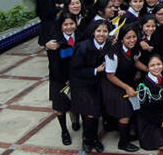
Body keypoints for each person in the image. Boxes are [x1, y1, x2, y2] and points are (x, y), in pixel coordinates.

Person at [102, 23, 146, 152]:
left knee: (136, 105)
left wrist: (149, 69)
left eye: (133, 37)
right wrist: (126, 87)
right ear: (121, 39)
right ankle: (123, 141)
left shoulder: (135, 49)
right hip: (113, 84)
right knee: (125, 109)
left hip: (126, 81)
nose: (131, 40)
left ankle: (127, 133)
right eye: (128, 38)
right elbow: (110, 76)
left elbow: (136, 61)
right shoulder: (113, 54)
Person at [70, 20, 110, 153]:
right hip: (82, 84)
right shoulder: (82, 47)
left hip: (99, 84)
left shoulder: (110, 45)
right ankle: (88, 140)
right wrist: (95, 70)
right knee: (89, 114)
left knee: (96, 113)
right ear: (93, 32)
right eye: (98, 31)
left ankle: (94, 139)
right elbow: (75, 70)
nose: (101, 34)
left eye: (105, 31)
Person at [44, 14, 79, 145]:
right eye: (65, 25)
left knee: (74, 103)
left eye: (72, 24)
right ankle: (64, 130)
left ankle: (75, 121)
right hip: (59, 79)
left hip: (76, 77)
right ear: (60, 26)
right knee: (60, 107)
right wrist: (65, 79)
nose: (69, 27)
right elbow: (54, 65)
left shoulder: (80, 37)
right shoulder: (55, 43)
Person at [134, 53, 163, 151]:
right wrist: (160, 121)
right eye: (152, 65)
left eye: (159, 64)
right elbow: (145, 112)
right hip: (149, 120)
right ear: (147, 67)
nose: (156, 67)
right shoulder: (142, 86)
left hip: (162, 115)